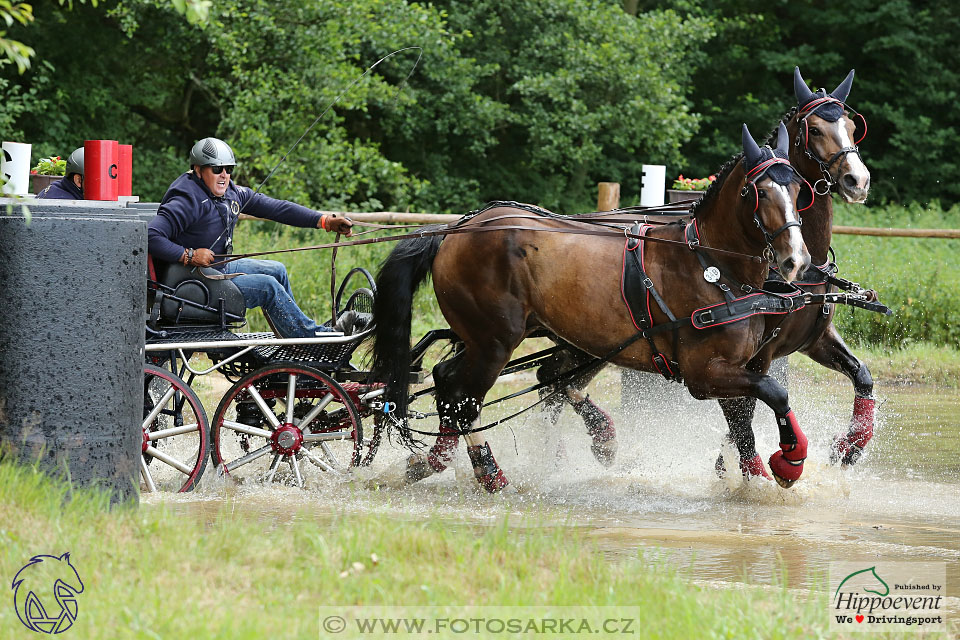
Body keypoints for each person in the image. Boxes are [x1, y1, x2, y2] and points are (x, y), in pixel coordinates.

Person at [148, 136, 356, 338]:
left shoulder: (232, 193)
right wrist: (189, 255)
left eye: (229, 169)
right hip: (192, 280)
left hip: (218, 269)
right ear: (198, 170)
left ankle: (295, 337)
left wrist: (324, 221)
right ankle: (313, 340)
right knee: (268, 287)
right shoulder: (186, 200)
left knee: (277, 270)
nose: (224, 175)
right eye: (217, 169)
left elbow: (277, 209)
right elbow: (151, 235)